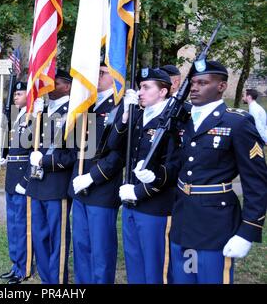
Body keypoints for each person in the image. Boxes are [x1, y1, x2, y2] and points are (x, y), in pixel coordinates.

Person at [135, 60, 267, 284]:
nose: (194, 88)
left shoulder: (237, 123)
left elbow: (257, 183)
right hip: (183, 219)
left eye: (203, 83)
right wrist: (155, 175)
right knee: (183, 278)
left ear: (222, 86)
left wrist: (248, 231)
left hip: (215, 224)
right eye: (193, 82)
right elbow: (179, 165)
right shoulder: (183, 121)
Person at [118, 68, 180, 284]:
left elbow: (172, 167)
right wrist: (125, 115)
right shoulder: (139, 115)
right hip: (131, 203)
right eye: (140, 86)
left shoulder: (173, 119)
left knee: (155, 269)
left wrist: (137, 192)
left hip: (156, 206)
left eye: (146, 87)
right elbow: (113, 148)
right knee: (135, 264)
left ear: (163, 92)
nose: (140, 92)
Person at [68, 62, 127, 284]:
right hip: (79, 186)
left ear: (115, 77)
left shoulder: (120, 108)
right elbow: (77, 146)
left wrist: (92, 177)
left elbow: (118, 154)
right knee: (81, 246)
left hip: (102, 187)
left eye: (102, 73)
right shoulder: (86, 105)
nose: (96, 77)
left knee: (101, 249)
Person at [25, 69, 75, 284]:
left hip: (57, 185)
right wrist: (33, 118)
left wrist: (44, 161)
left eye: (54, 82)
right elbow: (27, 141)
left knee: (58, 239)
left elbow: (74, 155)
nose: (48, 86)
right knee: (39, 237)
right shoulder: (43, 110)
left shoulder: (75, 112)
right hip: (37, 184)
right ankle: (47, 280)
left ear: (68, 86)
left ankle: (58, 282)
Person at [0, 82, 33, 284]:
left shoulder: (34, 117)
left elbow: (34, 152)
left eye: (19, 94)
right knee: (12, 225)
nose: (15, 97)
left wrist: (26, 180)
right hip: (12, 177)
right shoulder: (18, 116)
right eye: (15, 93)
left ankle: (24, 267)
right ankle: (16, 263)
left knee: (22, 224)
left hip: (21, 179)